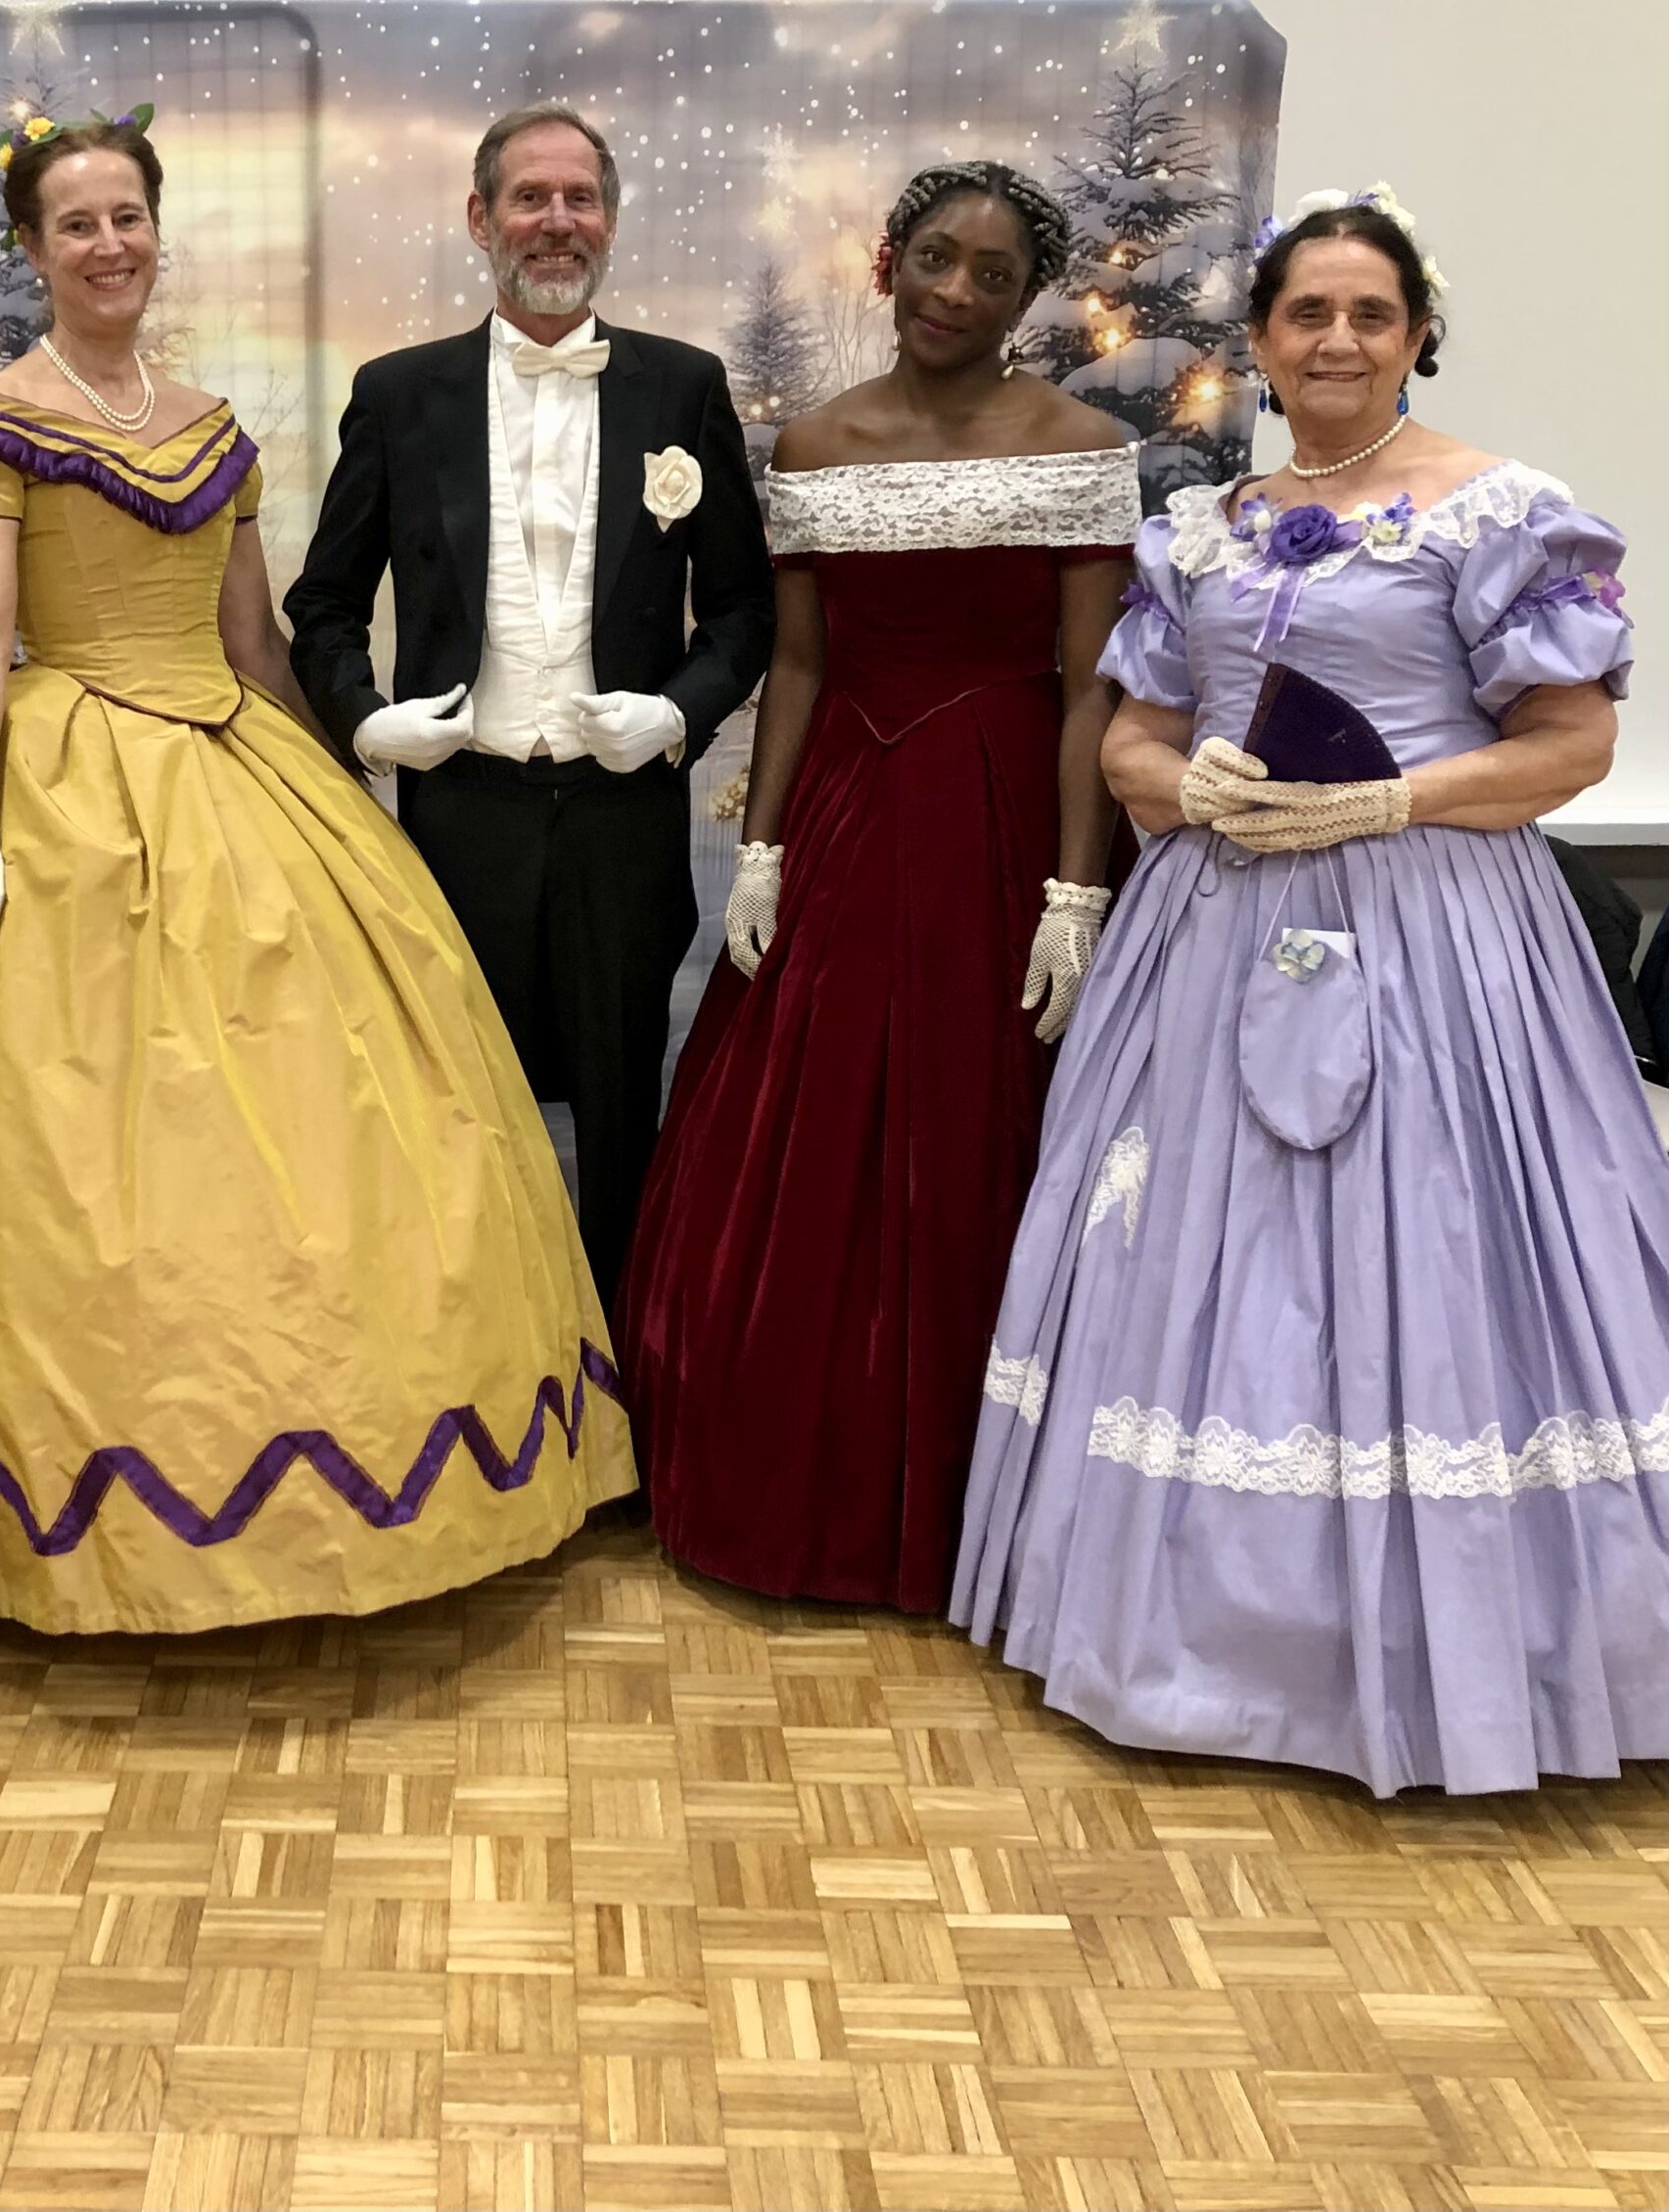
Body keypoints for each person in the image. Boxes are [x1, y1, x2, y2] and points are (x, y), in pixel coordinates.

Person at [0, 114, 632, 1636]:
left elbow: (252, 642)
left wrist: (336, 794)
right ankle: (114, 1509)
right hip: (68, 780)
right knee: (98, 1140)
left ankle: (351, 1475)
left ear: (159, 229)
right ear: (33, 248)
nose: (109, 246)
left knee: (339, 1125)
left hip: (229, 761)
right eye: (76, 224)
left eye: (127, 217)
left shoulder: (210, 425)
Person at [951, 191, 1668, 1794]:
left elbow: (1572, 743)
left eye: (1370, 313)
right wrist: (1182, 782)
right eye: (1307, 313)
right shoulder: (1200, 526)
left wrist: (1390, 800)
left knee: (1428, 1246)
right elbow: (1133, 736)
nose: (1338, 339)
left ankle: (1454, 1657)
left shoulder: (1500, 509)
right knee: (1204, 1256)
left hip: (1435, 939)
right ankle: (1192, 1641)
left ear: (1418, 334)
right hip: (1215, 935)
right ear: (1264, 342)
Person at [620, 162, 1139, 1610]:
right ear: (886, 263)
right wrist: (766, 846)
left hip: (1000, 811)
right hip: (848, 801)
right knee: (796, 1127)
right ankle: (795, 1486)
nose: (955, 292)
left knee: (978, 1123)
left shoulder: (1082, 443)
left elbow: (1089, 686)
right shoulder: (814, 444)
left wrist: (1074, 893)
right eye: (934, 258)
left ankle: (978, 1507)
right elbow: (797, 663)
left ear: (1027, 301)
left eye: (993, 275)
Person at [285, 104, 776, 1301]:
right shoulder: (400, 393)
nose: (556, 222)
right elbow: (324, 602)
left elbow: (744, 611)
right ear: (480, 218)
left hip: (624, 822)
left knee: (622, 1113)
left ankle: (617, 1362)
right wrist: (365, 722)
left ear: (609, 220)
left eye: (580, 199)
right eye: (529, 198)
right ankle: (482, 1360)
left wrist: (678, 715)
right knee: (461, 1111)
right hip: (461, 820)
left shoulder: (682, 386)